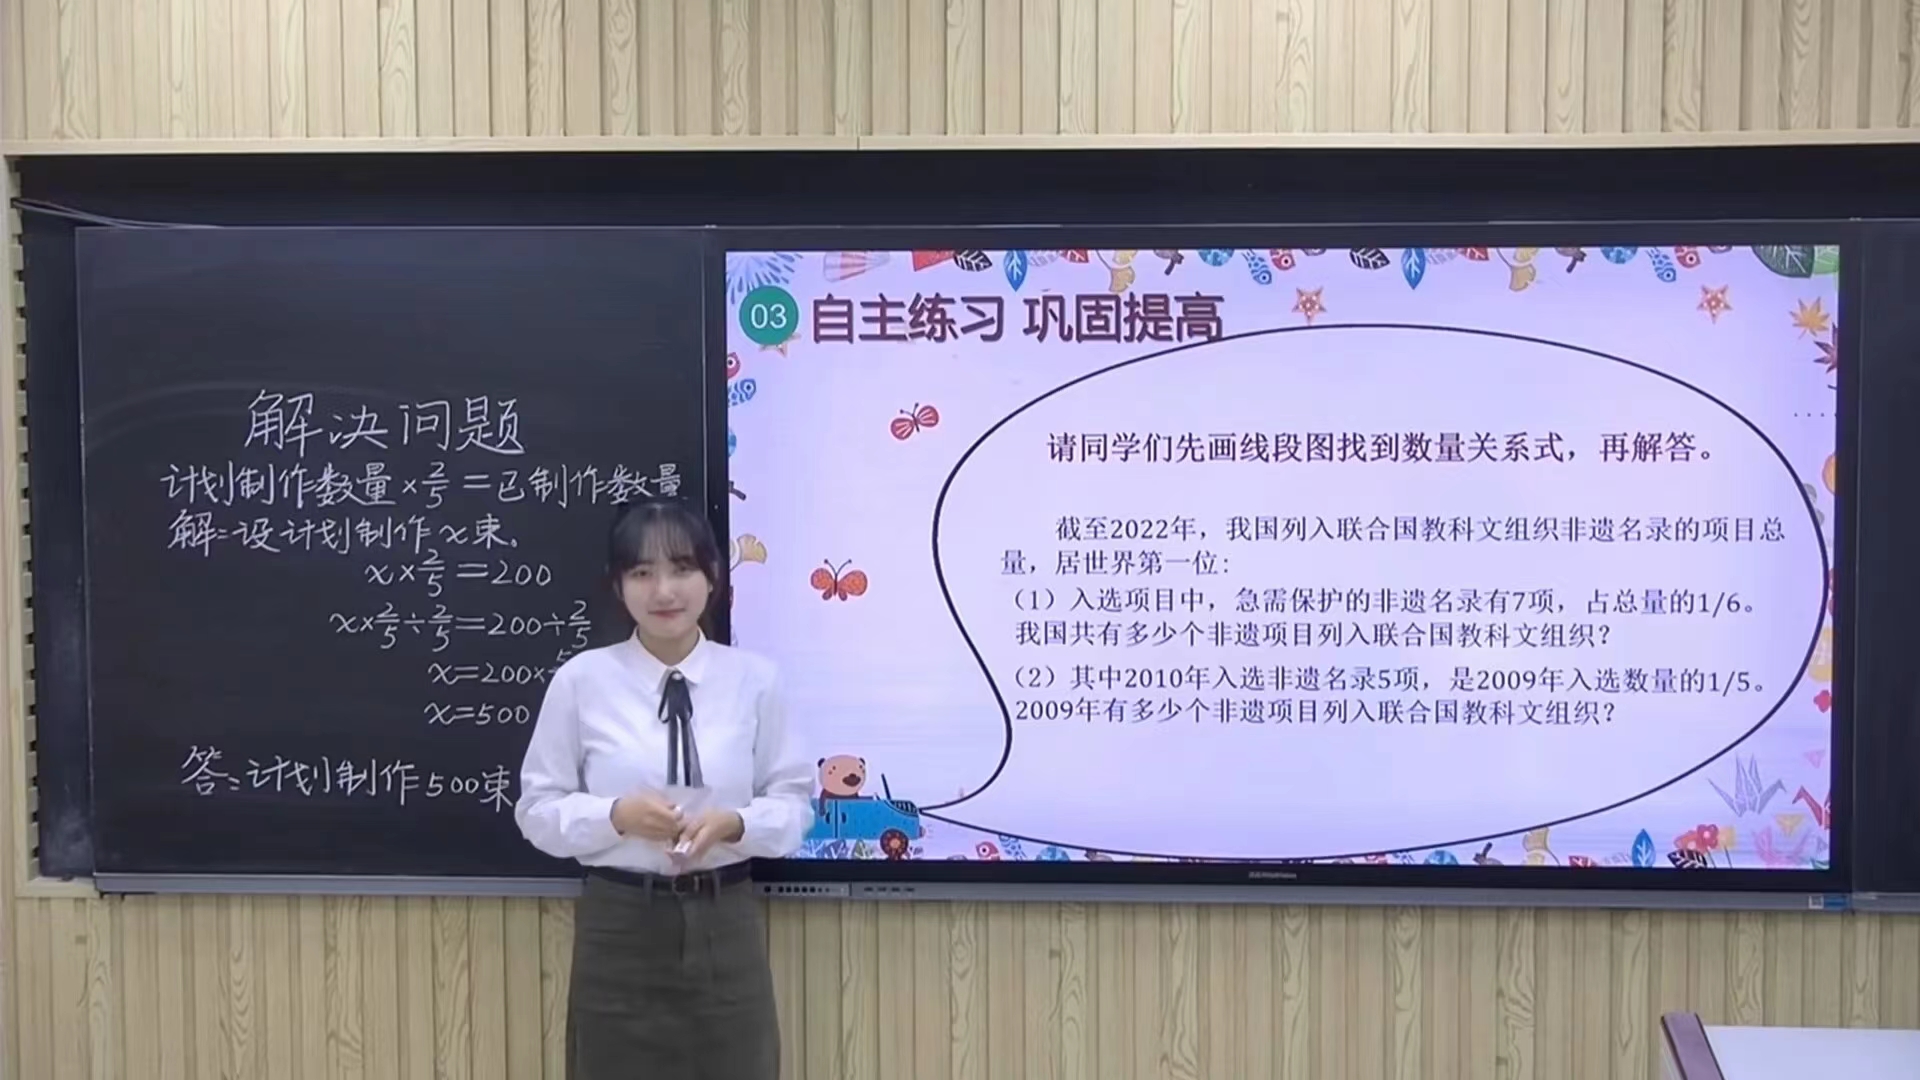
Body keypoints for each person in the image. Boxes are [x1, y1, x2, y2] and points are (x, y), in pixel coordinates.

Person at [514, 498, 813, 1080]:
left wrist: (735, 824)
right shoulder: (582, 681)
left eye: (681, 568)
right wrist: (615, 815)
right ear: (618, 585)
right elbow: (537, 810)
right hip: (619, 921)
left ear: (712, 577)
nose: (664, 591)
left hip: (725, 918)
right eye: (642, 573)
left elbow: (796, 805)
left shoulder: (756, 681)